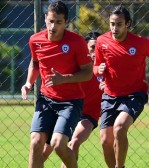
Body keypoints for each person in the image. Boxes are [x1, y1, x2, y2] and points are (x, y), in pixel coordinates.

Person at [21, 1, 93, 168]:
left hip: (70, 102)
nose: (53, 26)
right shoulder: (35, 40)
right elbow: (35, 63)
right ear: (45, 18)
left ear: (66, 22)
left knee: (58, 144)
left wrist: (64, 79)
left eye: (58, 22)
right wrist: (28, 83)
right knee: (35, 143)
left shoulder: (76, 41)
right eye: (51, 21)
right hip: (46, 99)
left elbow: (88, 72)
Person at [93, 5, 149, 168]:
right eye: (112, 24)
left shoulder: (141, 43)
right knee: (105, 141)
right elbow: (96, 67)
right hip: (110, 96)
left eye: (119, 24)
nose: (114, 28)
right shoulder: (102, 41)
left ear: (128, 24)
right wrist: (99, 70)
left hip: (134, 95)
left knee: (119, 128)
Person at [42, 32, 104, 167]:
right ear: (85, 49)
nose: (96, 51)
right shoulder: (78, 68)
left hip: (88, 116)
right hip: (67, 110)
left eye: (99, 48)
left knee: (74, 141)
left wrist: (109, 87)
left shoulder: (106, 68)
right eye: (93, 47)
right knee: (43, 153)